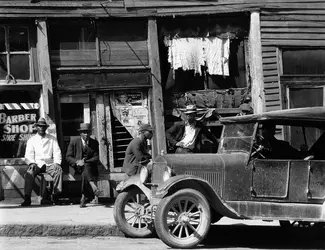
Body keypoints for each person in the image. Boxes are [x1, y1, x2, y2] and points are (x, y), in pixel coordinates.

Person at [21, 118, 62, 206]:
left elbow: (57, 152)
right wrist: (31, 163)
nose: (41, 128)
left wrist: (57, 163)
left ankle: (56, 196)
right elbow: (28, 155)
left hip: (49, 163)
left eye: (43, 127)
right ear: (36, 127)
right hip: (37, 163)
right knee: (29, 172)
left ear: (46, 128)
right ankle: (27, 198)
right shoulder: (32, 140)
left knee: (58, 170)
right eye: (39, 126)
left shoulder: (52, 139)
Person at [65, 123, 100, 208]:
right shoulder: (74, 142)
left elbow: (96, 157)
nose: (86, 134)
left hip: (90, 167)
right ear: (80, 133)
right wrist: (77, 162)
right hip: (77, 167)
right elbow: (68, 157)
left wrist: (85, 161)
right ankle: (92, 186)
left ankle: (84, 196)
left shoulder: (94, 143)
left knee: (86, 169)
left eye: (88, 132)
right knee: (85, 168)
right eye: (84, 132)